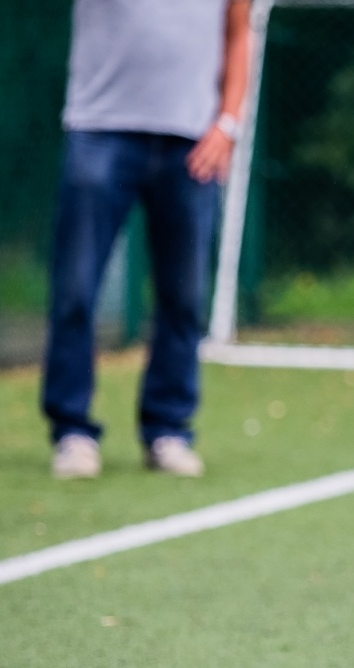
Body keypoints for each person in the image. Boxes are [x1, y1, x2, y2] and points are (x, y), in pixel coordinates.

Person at [43, 0, 251, 479]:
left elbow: (239, 33)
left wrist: (228, 122)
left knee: (183, 298)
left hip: (192, 140)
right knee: (76, 289)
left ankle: (168, 429)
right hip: (99, 130)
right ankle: (71, 431)